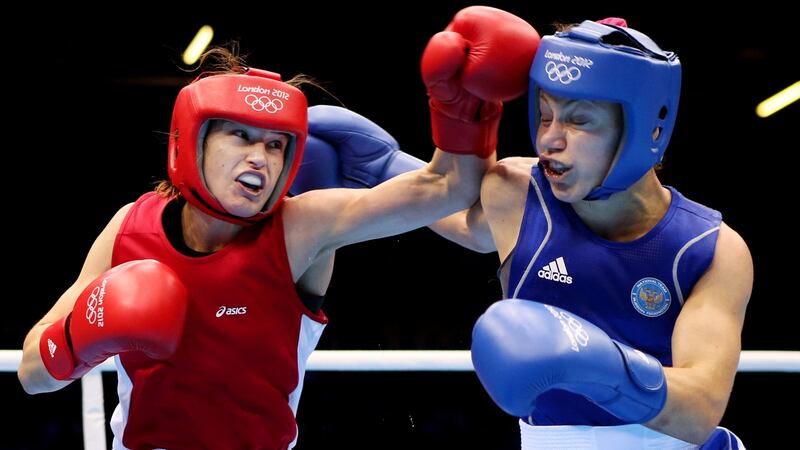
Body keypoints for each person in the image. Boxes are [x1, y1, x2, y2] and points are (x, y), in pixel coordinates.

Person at [15, 44, 510, 449]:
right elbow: (33, 372)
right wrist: (80, 338)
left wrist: (463, 104)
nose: (260, 158)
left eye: (276, 144)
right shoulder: (131, 229)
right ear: (193, 141)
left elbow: (448, 191)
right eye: (240, 136)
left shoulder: (302, 228)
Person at [416, 8, 752, 450]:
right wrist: (375, 166)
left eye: (578, 120)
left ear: (645, 128)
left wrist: (594, 362)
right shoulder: (516, 194)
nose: (549, 139)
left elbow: (698, 412)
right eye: (545, 113)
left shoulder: (707, 249)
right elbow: (455, 214)